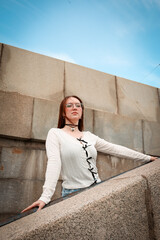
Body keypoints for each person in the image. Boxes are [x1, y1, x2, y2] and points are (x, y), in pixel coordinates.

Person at [22, 95, 158, 212]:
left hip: (98, 189)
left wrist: (147, 158)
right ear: (63, 113)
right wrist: (45, 197)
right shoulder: (55, 133)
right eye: (69, 105)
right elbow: (54, 162)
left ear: (81, 112)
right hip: (73, 193)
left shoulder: (89, 136)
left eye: (78, 105)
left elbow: (116, 149)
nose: (75, 107)